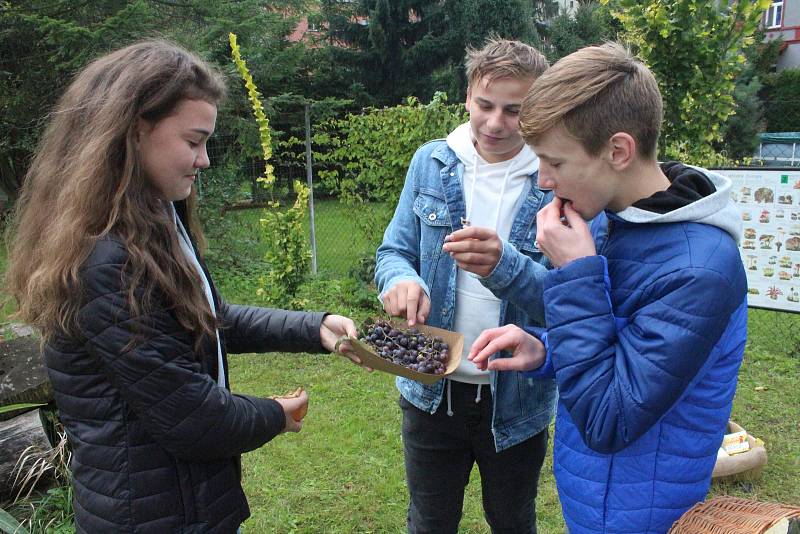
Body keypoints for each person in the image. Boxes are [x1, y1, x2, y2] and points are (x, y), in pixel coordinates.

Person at [3, 40, 364, 533]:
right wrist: (276, 414)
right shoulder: (106, 263)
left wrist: (314, 328)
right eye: (194, 142)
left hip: (187, 505)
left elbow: (208, 318)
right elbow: (194, 420)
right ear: (133, 133)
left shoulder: (154, 221)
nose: (205, 160)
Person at [469, 42, 748, 533]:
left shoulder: (700, 269)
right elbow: (619, 347)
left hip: (649, 514)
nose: (543, 180)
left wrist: (576, 274)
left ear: (618, 151)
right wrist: (544, 348)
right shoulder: (607, 218)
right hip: (593, 499)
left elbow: (609, 417)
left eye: (554, 161)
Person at [375, 37, 555, 533]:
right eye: (486, 105)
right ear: (467, 97)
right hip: (431, 389)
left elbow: (568, 302)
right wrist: (401, 280)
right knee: (430, 522)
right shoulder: (431, 162)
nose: (496, 122)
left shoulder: (552, 180)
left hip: (515, 400)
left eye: (515, 110)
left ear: (536, 111)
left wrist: (505, 265)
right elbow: (393, 251)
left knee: (513, 520)